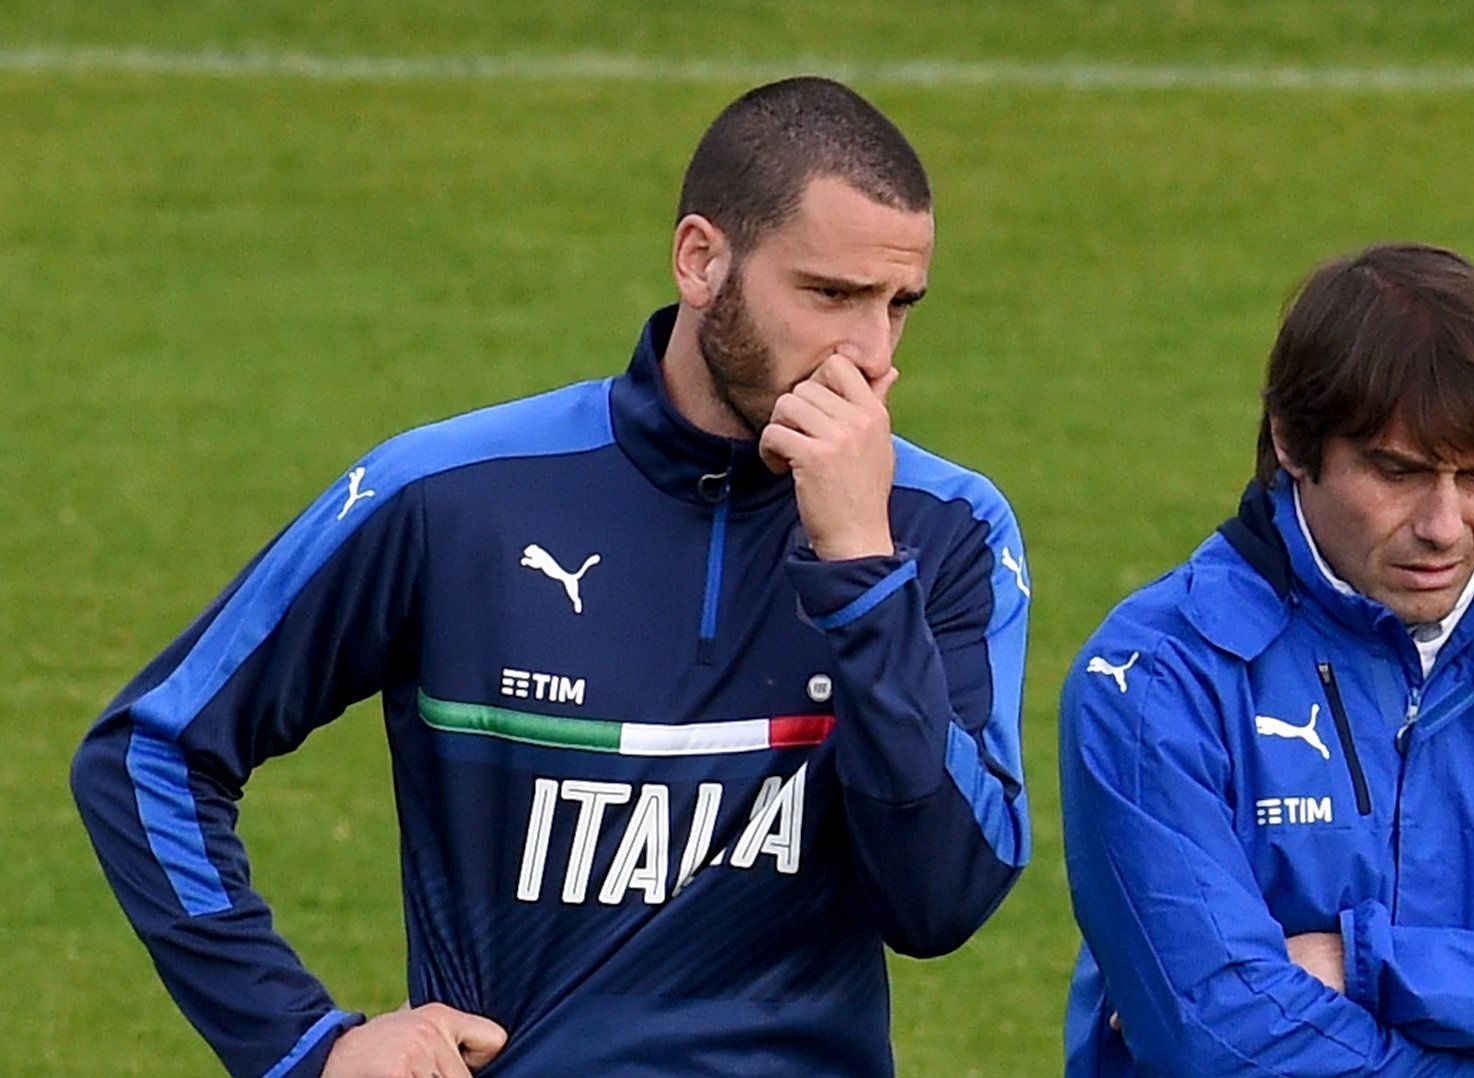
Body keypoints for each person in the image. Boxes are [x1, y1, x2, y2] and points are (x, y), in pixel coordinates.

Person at [72, 76, 1031, 1078]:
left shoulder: (943, 529)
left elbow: (941, 901)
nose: (872, 356)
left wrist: (863, 569)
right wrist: (305, 1043)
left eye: (899, 306)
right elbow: (152, 752)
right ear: (702, 261)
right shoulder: (454, 498)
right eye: (831, 296)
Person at [1059, 243, 1474, 1077]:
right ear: (1292, 443)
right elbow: (1213, 1032)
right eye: (1398, 473)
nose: (1444, 526)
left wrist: (1358, 963)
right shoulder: (1158, 677)